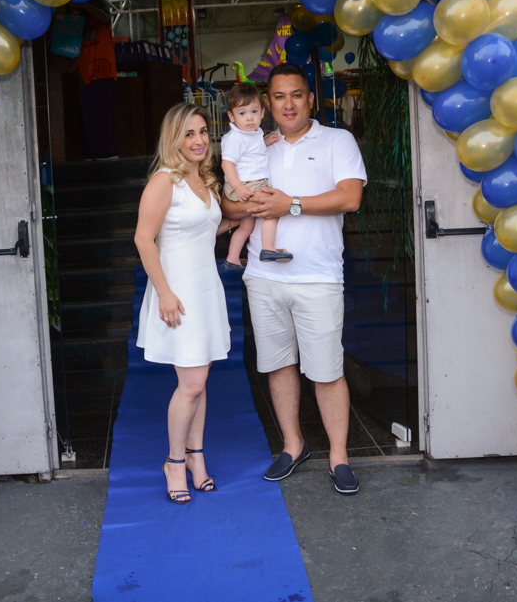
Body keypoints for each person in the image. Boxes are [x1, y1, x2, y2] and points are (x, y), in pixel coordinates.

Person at [221, 63, 367, 495]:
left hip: (318, 277)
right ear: (268, 103)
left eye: (297, 95)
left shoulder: (337, 140)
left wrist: (291, 205)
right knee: (278, 365)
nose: (288, 104)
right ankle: (292, 445)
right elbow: (227, 207)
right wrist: (251, 206)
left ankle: (338, 456)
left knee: (326, 370)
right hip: (263, 276)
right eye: (279, 97)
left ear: (311, 99)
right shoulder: (256, 145)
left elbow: (351, 197)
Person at [134, 102, 240, 504]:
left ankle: (196, 456)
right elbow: (144, 239)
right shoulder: (164, 180)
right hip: (176, 292)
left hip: (205, 289)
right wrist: (163, 292)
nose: (198, 141)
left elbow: (205, 229)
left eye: (202, 132)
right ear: (173, 139)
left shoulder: (204, 178)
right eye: (188, 134)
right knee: (191, 384)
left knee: (199, 380)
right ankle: (174, 462)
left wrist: (244, 215)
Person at [220, 83, 288, 270]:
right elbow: (227, 164)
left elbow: (250, 153)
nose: (249, 118)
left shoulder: (253, 133)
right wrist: (239, 188)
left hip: (251, 183)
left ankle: (232, 259)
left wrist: (265, 142)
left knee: (246, 227)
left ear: (262, 112)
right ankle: (268, 249)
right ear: (231, 116)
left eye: (254, 112)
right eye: (242, 113)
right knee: (272, 207)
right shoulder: (235, 138)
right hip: (244, 184)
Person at [76, 0, 118, 160]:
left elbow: (104, 16)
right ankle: (94, 152)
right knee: (90, 117)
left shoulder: (100, 16)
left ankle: (109, 153)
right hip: (86, 74)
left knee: (104, 116)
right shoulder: (80, 22)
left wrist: (84, 5)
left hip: (103, 73)